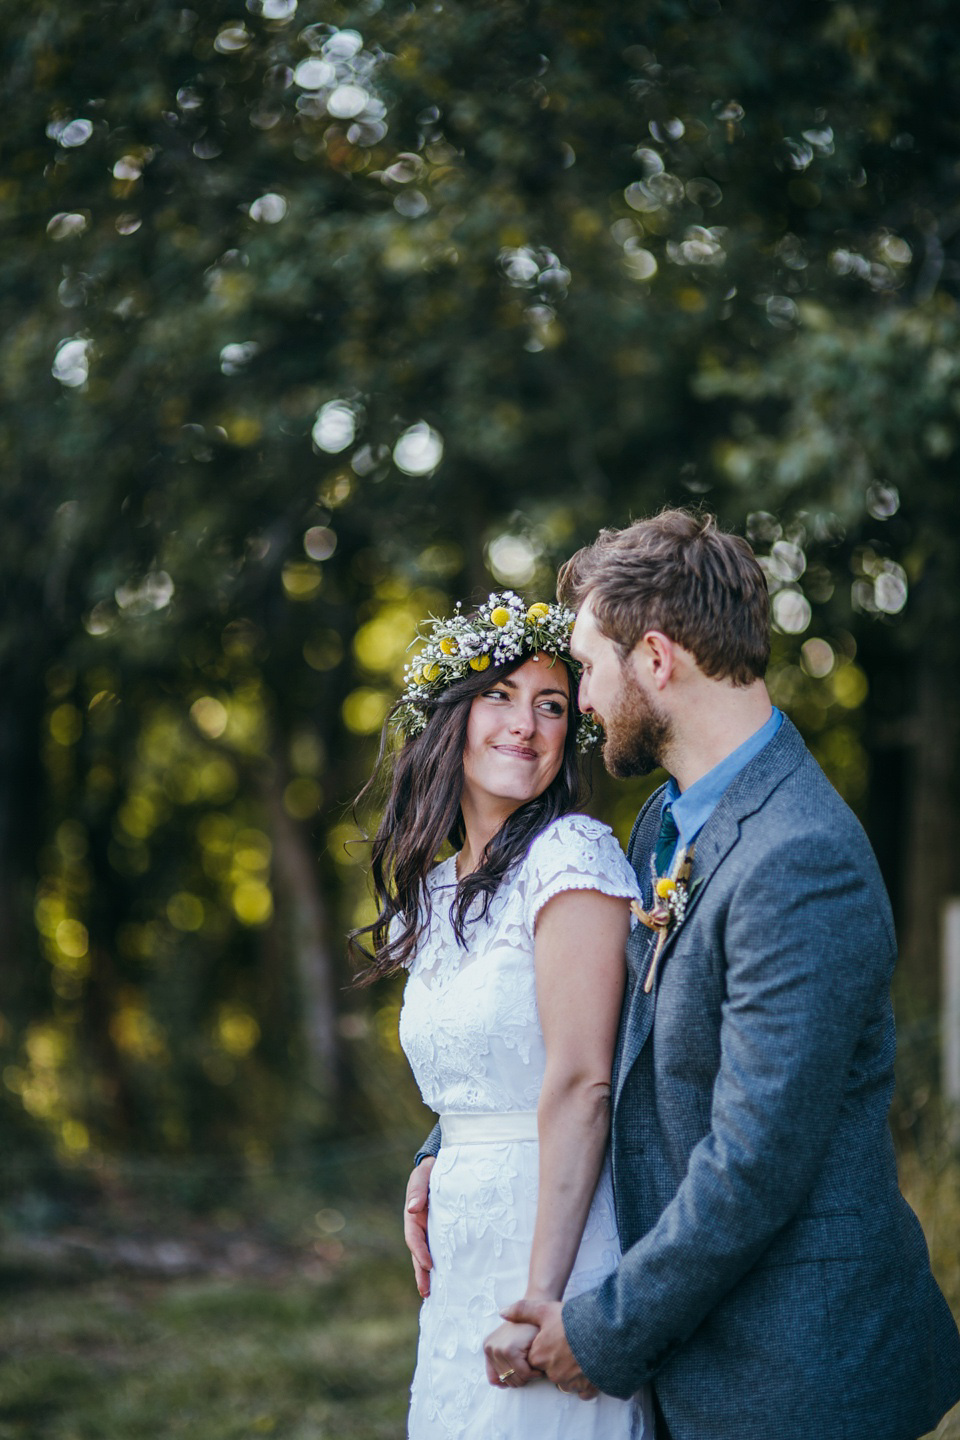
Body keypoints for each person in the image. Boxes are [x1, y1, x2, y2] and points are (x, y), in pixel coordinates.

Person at [406, 511, 960, 1440]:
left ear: (654, 659)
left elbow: (755, 1164)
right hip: (694, 1354)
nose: (578, 701)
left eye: (583, 670)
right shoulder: (666, 821)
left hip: (791, 1373)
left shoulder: (800, 855)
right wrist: (452, 1143)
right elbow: (603, 1043)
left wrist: (600, 1332)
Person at [351, 592, 653, 1439]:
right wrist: (435, 1152)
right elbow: (482, 1071)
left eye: (552, 704)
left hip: (553, 1242)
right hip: (460, 1256)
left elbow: (584, 1082)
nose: (527, 723)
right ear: (451, 716)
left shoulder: (573, 856)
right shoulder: (436, 890)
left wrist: (542, 1301)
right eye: (502, 696)